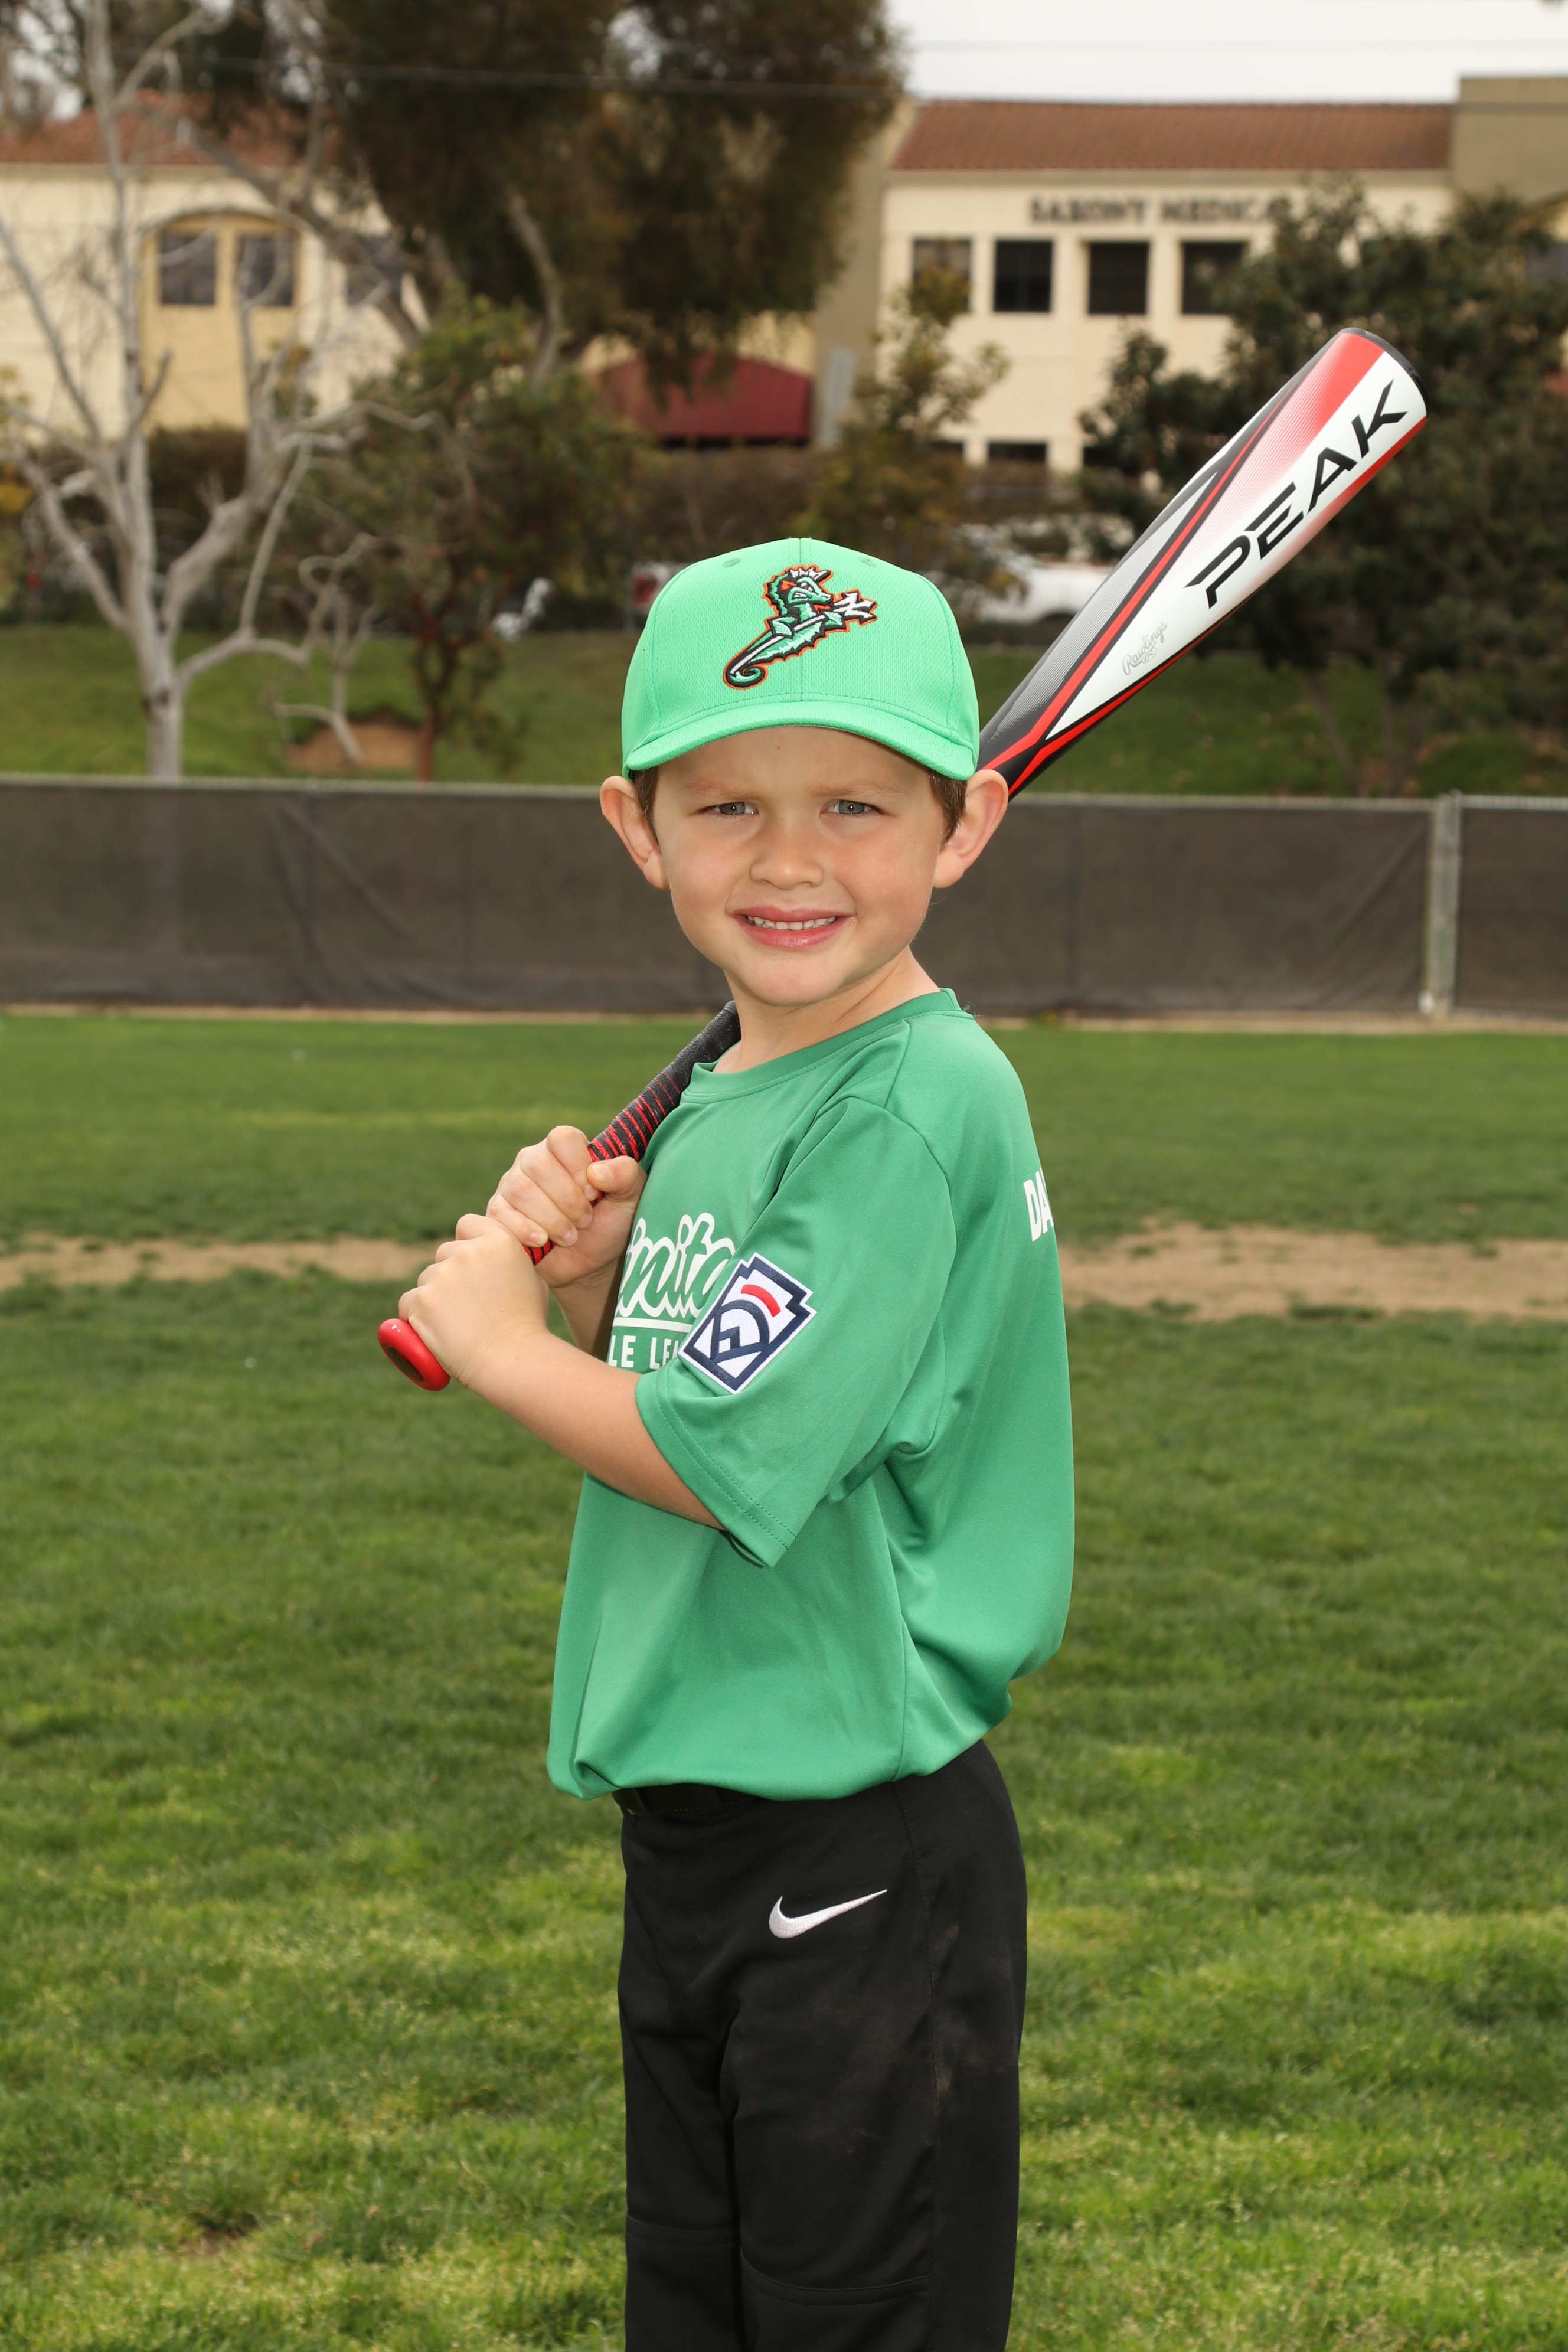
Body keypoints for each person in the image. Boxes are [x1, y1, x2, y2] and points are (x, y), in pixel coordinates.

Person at [398, 536, 1075, 2351]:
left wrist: (501, 1347)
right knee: (702, 2310)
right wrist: (605, 1283)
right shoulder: (733, 1089)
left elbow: (718, 1458)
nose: (789, 860)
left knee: (851, 2317)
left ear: (963, 825)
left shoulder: (916, 1098)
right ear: (640, 828)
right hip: (708, 1821)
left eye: (857, 804)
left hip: (854, 1836)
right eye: (729, 806)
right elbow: (702, 1389)